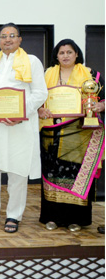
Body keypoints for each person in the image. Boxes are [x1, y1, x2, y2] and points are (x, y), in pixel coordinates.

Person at [0, 23, 48, 233]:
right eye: (4, 36)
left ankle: (14, 215)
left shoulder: (32, 61)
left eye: (12, 35)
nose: (8, 39)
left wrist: (20, 113)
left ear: (20, 39)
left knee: (17, 171)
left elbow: (40, 93)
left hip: (19, 125)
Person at [37, 39, 104, 231]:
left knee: (76, 174)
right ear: (56, 56)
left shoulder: (91, 74)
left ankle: (77, 219)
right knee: (53, 174)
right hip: (52, 133)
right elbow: (37, 99)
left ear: (76, 54)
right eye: (61, 52)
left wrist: (100, 106)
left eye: (69, 52)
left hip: (79, 133)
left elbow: (103, 98)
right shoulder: (46, 74)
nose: (65, 56)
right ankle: (52, 217)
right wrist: (40, 109)